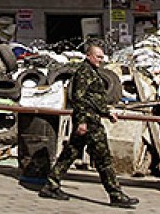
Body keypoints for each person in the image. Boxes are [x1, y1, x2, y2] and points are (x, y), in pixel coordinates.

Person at [39, 44, 139, 208]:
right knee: (103, 158)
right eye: (98, 56)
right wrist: (82, 121)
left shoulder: (93, 71)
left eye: (102, 57)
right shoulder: (84, 73)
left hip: (90, 118)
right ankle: (115, 194)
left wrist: (106, 112)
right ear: (88, 56)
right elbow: (79, 99)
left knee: (70, 153)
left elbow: (93, 98)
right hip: (89, 121)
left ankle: (51, 184)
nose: (101, 60)